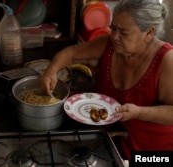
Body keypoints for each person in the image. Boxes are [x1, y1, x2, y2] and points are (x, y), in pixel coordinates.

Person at [39, 0, 173, 161]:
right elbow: (71, 53)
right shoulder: (109, 46)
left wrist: (139, 112)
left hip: (152, 152)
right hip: (108, 141)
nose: (114, 36)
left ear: (149, 33)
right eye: (113, 28)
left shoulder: (167, 61)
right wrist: (51, 70)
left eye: (124, 33)